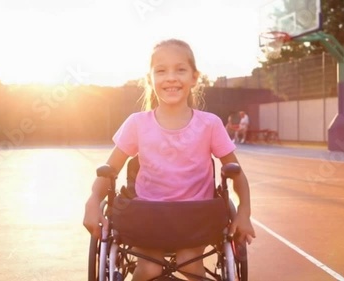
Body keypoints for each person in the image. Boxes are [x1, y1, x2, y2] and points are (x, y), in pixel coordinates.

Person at [83, 38, 255, 281]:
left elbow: (236, 173)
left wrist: (244, 213)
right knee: (149, 270)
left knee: (189, 265)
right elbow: (109, 169)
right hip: (148, 216)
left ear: (194, 78)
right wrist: (92, 202)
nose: (171, 77)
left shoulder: (210, 124)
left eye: (180, 70)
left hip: (196, 217)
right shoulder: (136, 123)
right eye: (161, 71)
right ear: (150, 79)